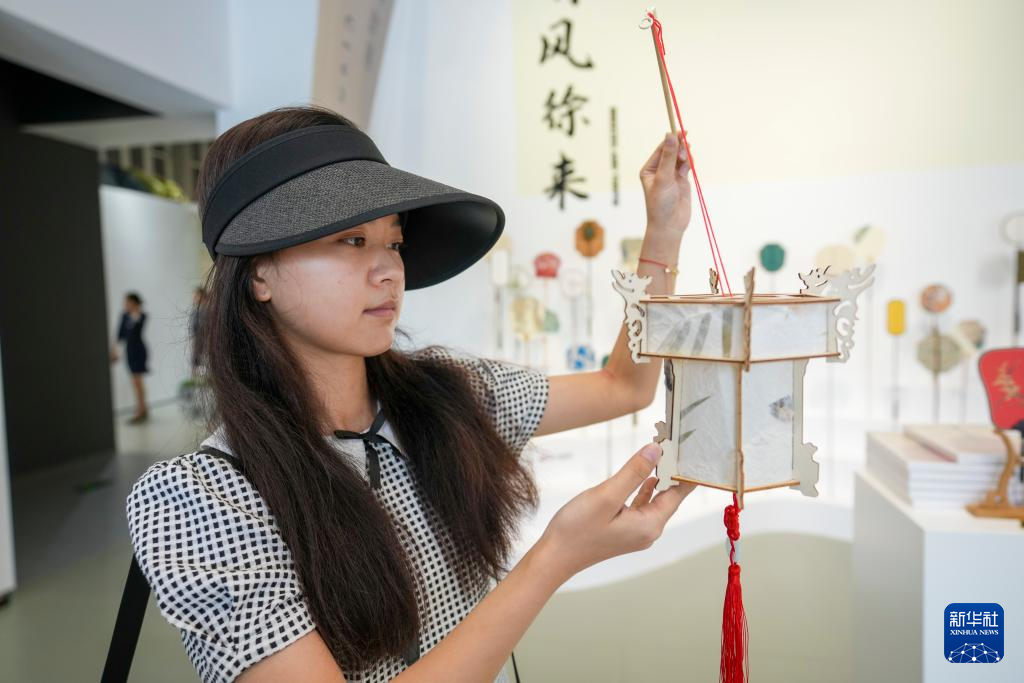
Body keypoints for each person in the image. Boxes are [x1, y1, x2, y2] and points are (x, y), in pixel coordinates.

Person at [126, 106, 693, 683]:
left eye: (394, 243)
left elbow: (623, 386)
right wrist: (555, 558)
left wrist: (663, 235)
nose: (389, 272)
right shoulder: (202, 498)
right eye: (351, 239)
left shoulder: (446, 399)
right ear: (259, 274)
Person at [110, 291, 149, 424]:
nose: (125, 304)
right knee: (136, 381)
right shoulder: (124, 315)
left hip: (139, 350)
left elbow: (135, 332)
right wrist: (114, 350)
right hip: (129, 351)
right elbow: (120, 335)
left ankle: (140, 410)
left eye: (127, 302)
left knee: (137, 381)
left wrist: (135, 315)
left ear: (134, 302)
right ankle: (143, 408)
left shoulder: (141, 315)